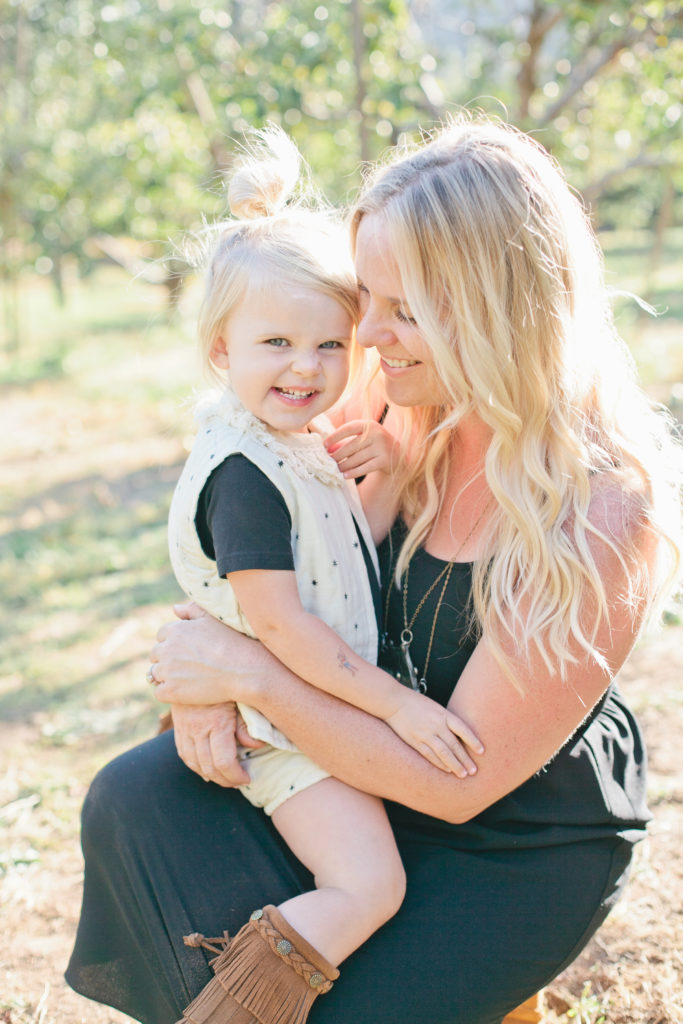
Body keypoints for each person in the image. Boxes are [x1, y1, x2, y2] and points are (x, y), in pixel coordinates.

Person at [65, 114, 682, 1024]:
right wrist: (202, 676)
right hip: (348, 778)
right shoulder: (382, 397)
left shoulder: (601, 510)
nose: (369, 335)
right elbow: (256, 561)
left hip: (506, 832)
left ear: (491, 309)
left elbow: (457, 782)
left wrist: (252, 679)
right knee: (136, 798)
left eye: (404, 310)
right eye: (368, 299)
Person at [163, 127, 483, 1024]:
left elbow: (350, 558)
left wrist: (379, 471)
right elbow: (283, 628)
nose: (306, 368)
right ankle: (234, 1009)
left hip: (317, 707)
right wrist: (397, 705)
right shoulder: (243, 475)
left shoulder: (295, 445)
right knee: (369, 883)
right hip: (289, 727)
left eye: (328, 346)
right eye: (275, 343)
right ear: (221, 351)